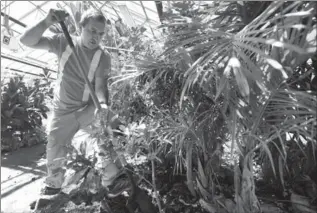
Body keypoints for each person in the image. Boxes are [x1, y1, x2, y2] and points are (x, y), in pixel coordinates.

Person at [20, 8, 125, 202]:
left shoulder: (103, 56)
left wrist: (102, 104)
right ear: (81, 26)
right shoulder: (62, 42)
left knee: (103, 136)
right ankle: (53, 186)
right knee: (55, 143)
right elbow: (25, 41)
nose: (96, 37)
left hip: (88, 107)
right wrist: (46, 22)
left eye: (101, 34)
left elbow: (101, 86)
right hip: (63, 110)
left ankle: (112, 181)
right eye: (92, 30)